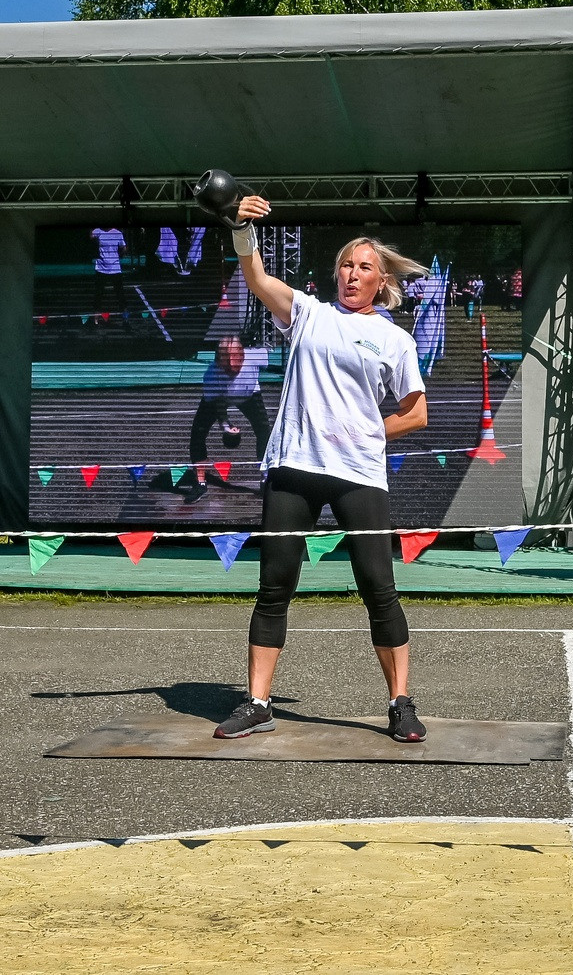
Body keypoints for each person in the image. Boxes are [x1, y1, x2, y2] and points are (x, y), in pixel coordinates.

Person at [210, 192, 432, 744]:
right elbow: (258, 277)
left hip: (358, 472)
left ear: (381, 282)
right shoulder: (308, 313)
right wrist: (241, 228)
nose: (351, 275)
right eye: (345, 266)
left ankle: (400, 703)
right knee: (274, 587)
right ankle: (258, 702)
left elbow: (417, 413)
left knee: (379, 587)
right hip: (294, 464)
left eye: (363, 268)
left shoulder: (394, 339)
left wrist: (370, 431)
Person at [185, 335, 269, 503]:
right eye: (226, 363)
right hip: (221, 396)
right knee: (197, 433)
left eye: (236, 360)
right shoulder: (211, 376)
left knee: (264, 430)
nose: (231, 366)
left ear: (244, 355)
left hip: (249, 394)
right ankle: (200, 482)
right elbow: (218, 406)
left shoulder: (258, 357)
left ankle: (266, 478)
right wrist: (225, 424)